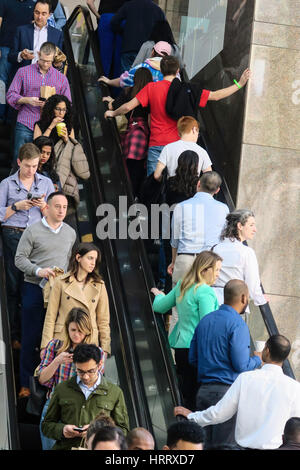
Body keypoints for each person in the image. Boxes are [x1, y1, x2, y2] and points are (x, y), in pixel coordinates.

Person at [104, 57, 249, 175]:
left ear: (161, 70)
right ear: (178, 70)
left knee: (153, 187)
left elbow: (128, 106)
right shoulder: (188, 90)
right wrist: (239, 84)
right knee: (176, 187)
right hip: (179, 147)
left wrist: (113, 112)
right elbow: (216, 96)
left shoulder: (151, 88)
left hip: (157, 145)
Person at [175, 335, 300, 450]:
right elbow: (295, 425)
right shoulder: (294, 388)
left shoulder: (245, 378)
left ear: (266, 350)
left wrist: (193, 416)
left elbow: (220, 413)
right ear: (285, 357)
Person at [15, 191, 76, 397]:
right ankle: (25, 383)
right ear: (47, 207)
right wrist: (38, 270)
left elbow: (68, 262)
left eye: (65, 207)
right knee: (31, 336)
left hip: (59, 292)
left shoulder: (70, 232)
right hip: (34, 287)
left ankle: (49, 383)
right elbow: (19, 259)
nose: (61, 211)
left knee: (53, 337)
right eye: (57, 206)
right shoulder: (32, 231)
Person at [188, 279, 262, 447]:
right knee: (224, 445)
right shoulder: (238, 324)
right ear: (243, 298)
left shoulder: (205, 321)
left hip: (203, 391)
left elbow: (192, 359)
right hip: (227, 393)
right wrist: (258, 359)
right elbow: (241, 365)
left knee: (201, 445)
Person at [151, 251, 221, 410]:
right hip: (199, 351)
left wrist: (159, 295)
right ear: (204, 270)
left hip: (182, 348)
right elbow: (207, 324)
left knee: (185, 392)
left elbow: (159, 307)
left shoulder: (182, 284)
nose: (218, 274)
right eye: (216, 270)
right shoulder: (205, 291)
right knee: (197, 397)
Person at [0, 142, 54, 347]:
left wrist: (43, 207)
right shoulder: (6, 184)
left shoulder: (46, 183)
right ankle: (14, 334)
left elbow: (55, 216)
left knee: (34, 285)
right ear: (18, 162)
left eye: (34, 166)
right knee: (15, 285)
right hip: (13, 233)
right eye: (27, 166)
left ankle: (33, 335)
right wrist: (16, 206)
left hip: (38, 236)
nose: (31, 170)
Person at [42, 344, 129, 450]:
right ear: (75, 365)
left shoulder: (115, 392)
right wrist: (63, 430)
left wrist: (97, 431)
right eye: (80, 371)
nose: (86, 377)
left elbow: (124, 430)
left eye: (91, 371)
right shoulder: (62, 389)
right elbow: (46, 425)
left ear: (100, 364)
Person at [38, 307, 102, 450]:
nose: (77, 335)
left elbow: (97, 386)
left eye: (80, 330)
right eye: (73, 330)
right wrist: (57, 361)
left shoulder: (96, 352)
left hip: (81, 409)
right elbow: (42, 379)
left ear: (87, 330)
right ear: (67, 328)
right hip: (54, 406)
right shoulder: (55, 346)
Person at [40, 242, 111, 359]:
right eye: (90, 258)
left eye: (95, 259)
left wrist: (105, 348)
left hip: (89, 339)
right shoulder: (60, 282)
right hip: (63, 338)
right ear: (78, 257)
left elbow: (103, 320)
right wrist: (44, 346)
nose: (93, 263)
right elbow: (50, 316)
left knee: (86, 375)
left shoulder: (99, 285)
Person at [6, 41, 71, 162]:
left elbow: (67, 104)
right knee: (20, 160)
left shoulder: (61, 79)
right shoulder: (23, 72)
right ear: (38, 54)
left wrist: (54, 106)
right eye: (42, 60)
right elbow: (10, 95)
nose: (45, 64)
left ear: (53, 58)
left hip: (48, 125)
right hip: (26, 122)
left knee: (44, 164)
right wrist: (27, 100)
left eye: (49, 61)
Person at [169, 171, 229, 293]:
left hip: (186, 258)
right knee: (206, 305)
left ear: (198, 184)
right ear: (217, 190)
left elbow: (174, 239)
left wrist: (174, 262)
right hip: (209, 262)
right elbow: (225, 238)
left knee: (179, 305)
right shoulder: (224, 209)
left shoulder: (181, 206)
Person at [103, 67, 152, 197]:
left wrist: (111, 102)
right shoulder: (151, 94)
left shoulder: (129, 91)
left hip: (132, 133)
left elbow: (114, 107)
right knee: (140, 169)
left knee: (127, 167)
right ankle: (135, 196)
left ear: (135, 79)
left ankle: (125, 193)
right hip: (146, 134)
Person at [212, 209, 268, 309]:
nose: (255, 229)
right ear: (240, 226)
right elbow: (253, 284)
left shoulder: (215, 248)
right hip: (236, 305)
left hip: (213, 302)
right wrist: (261, 299)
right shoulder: (247, 252)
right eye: (251, 225)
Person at [0, 0, 36, 121]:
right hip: (6, 47)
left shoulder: (32, 4)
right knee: (2, 81)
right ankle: (1, 113)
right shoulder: (4, 2)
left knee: (18, 83)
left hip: (23, 50)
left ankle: (11, 117)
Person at [110, 0, 166, 72]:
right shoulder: (158, 10)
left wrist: (123, 33)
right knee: (144, 79)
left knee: (126, 78)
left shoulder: (129, 5)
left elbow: (114, 22)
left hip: (129, 47)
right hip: (148, 51)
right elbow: (164, 31)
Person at [154, 116, 212, 182]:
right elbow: (209, 177)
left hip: (171, 190)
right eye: (198, 131)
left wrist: (165, 183)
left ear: (179, 132)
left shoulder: (168, 148)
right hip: (192, 190)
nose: (197, 135)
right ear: (194, 129)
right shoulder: (202, 151)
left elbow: (156, 175)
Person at [8, 0, 63, 67]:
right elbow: (10, 56)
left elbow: (59, 61)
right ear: (33, 12)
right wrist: (21, 55)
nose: (39, 17)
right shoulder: (21, 31)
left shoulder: (57, 34)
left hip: (46, 75)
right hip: (24, 74)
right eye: (37, 13)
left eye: (43, 14)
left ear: (49, 15)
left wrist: (58, 64)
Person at [99, 40, 172, 89]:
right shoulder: (174, 73)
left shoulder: (143, 67)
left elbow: (125, 80)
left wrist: (109, 81)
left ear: (152, 52)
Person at [86, 0, 128, 78]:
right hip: (123, 20)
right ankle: (117, 87)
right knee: (119, 58)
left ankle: (102, 85)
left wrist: (99, 16)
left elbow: (89, 2)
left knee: (104, 58)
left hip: (106, 18)